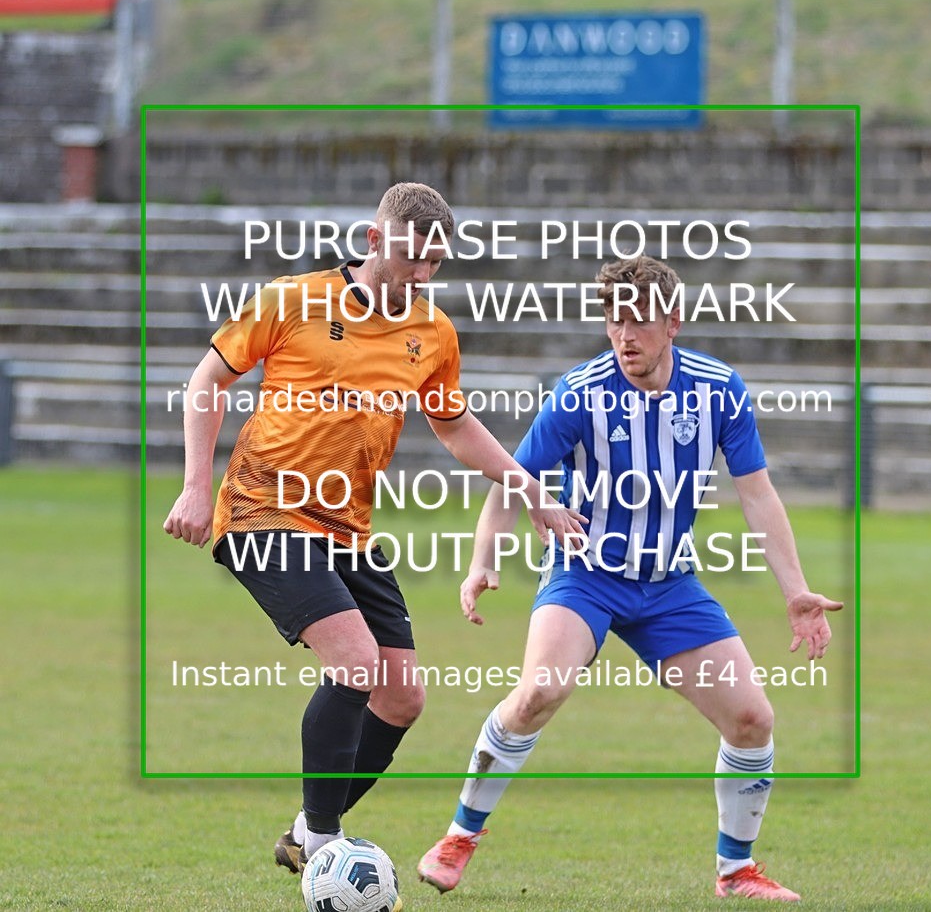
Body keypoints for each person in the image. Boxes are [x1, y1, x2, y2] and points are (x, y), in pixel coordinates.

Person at [162, 182, 585, 882]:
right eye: (411, 257)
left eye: (434, 263)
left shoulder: (433, 333)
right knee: (356, 665)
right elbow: (208, 378)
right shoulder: (294, 299)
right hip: (263, 510)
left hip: (346, 527)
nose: (421, 274)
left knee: (400, 695)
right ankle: (326, 845)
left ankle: (305, 830)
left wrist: (530, 490)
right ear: (372, 241)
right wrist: (196, 485)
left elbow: (453, 426)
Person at [417, 255, 842, 903]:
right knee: (539, 691)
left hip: (669, 586)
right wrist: (483, 561)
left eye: (638, 321)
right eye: (614, 321)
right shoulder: (579, 392)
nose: (624, 336)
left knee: (754, 718)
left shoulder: (718, 390)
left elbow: (757, 494)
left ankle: (735, 872)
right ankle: (459, 835)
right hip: (585, 573)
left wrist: (796, 592)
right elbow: (511, 477)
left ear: (673, 321)